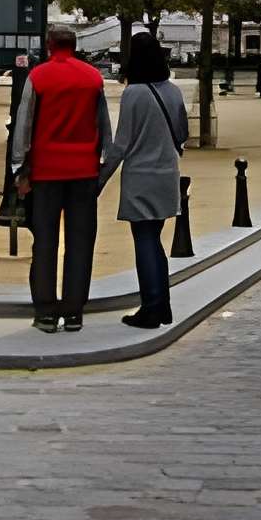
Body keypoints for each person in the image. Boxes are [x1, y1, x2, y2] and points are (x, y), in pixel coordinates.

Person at [8, 25, 111, 331]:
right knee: (80, 242)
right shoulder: (93, 78)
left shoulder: (38, 77)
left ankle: (45, 311)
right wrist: (100, 169)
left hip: (46, 171)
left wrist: (19, 168)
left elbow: (24, 125)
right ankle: (74, 311)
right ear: (75, 45)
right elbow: (104, 128)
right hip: (83, 170)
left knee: (45, 241)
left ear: (49, 44)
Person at [98, 32, 189, 328]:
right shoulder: (174, 91)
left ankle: (151, 307)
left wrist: (99, 180)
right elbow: (183, 134)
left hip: (141, 176)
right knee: (155, 239)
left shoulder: (133, 93)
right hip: (167, 174)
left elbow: (121, 144)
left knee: (145, 240)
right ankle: (163, 305)